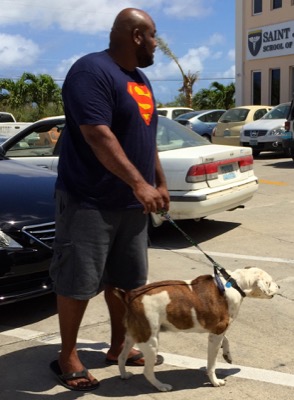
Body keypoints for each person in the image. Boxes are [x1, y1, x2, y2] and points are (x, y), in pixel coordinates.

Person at [49, 7, 170, 392]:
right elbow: (98, 134)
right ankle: (67, 356)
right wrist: (139, 183)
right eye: (153, 36)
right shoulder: (91, 72)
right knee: (78, 282)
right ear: (136, 36)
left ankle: (119, 345)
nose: (157, 45)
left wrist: (159, 183)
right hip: (89, 200)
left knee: (127, 283)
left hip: (131, 206)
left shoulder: (141, 81)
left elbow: (145, 138)